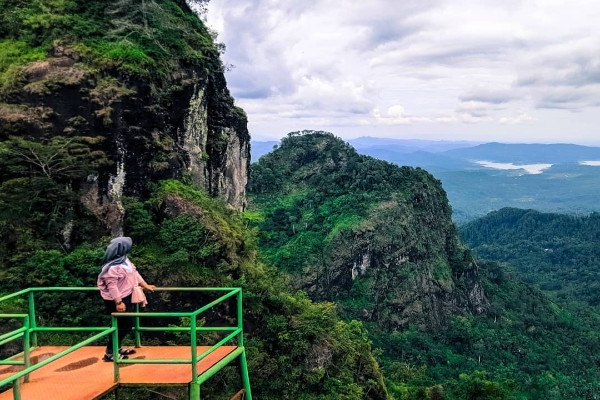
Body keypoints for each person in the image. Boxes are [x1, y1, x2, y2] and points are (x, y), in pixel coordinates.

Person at [97, 236, 156, 362]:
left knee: (123, 324)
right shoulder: (111, 267)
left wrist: (145, 285)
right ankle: (109, 353)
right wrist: (118, 302)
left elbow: (134, 273)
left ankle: (116, 348)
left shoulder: (124, 260)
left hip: (126, 296)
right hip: (116, 300)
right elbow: (111, 286)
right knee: (124, 324)